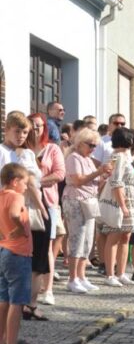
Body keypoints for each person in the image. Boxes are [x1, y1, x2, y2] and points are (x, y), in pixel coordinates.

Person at [0, 112, 47, 322]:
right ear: (7, 128)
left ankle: (14, 313)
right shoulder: (2, 152)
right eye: (17, 131)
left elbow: (32, 183)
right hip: (7, 210)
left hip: (23, 210)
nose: (20, 135)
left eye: (24, 132)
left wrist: (42, 208)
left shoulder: (24, 154)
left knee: (21, 263)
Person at [63, 128, 110, 293]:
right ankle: (72, 278)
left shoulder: (88, 159)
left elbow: (94, 183)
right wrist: (99, 172)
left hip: (89, 201)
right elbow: (78, 180)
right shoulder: (74, 157)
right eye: (91, 145)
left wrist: (104, 177)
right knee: (77, 238)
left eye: (95, 146)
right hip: (76, 200)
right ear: (80, 143)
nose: (93, 149)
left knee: (88, 240)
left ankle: (82, 276)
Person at [28, 113, 65, 308]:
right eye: (32, 125)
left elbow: (59, 174)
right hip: (24, 204)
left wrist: (33, 182)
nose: (36, 129)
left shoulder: (52, 149)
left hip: (47, 202)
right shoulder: (23, 149)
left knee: (47, 247)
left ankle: (48, 289)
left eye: (40, 126)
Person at [0, 163, 36, 344]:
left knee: (3, 299)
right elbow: (14, 214)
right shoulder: (16, 196)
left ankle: (1, 343)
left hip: (4, 251)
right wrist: (21, 228)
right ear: (15, 182)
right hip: (18, 253)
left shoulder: (1, 196)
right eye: (25, 183)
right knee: (17, 301)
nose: (25, 187)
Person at [99, 127, 134, 287]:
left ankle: (121, 272)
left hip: (128, 195)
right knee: (114, 235)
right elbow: (116, 182)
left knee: (125, 236)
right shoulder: (119, 156)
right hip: (121, 197)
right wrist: (123, 205)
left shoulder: (122, 156)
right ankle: (111, 274)